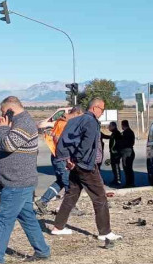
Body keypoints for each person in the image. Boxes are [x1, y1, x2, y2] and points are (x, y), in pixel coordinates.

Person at [0, 96, 51, 264]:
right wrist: (1, 130)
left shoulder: (24, 123)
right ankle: (42, 251)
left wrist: (1, 129)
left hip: (17, 182)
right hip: (19, 181)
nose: (2, 117)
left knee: (4, 220)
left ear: (10, 110)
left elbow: (8, 145)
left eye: (3, 113)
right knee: (27, 218)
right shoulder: (18, 123)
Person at [52, 98, 122, 248]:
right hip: (86, 165)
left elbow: (64, 141)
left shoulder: (74, 120)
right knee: (99, 197)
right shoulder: (91, 122)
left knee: (71, 194)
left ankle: (58, 227)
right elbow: (86, 144)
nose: (102, 113)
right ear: (95, 108)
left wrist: (67, 159)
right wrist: (77, 159)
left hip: (75, 164)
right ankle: (105, 232)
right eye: (102, 110)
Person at [35, 107, 83, 214]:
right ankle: (70, 207)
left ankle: (43, 201)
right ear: (77, 113)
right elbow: (61, 141)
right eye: (80, 116)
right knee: (68, 183)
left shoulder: (61, 121)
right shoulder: (65, 124)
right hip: (62, 157)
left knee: (61, 181)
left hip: (57, 156)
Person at [102, 121, 122, 186]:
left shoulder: (116, 133)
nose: (108, 128)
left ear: (113, 126)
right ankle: (115, 179)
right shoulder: (114, 133)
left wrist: (114, 151)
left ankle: (118, 180)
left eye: (110, 126)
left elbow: (117, 144)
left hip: (115, 153)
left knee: (116, 166)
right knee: (113, 166)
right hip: (113, 153)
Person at [119, 119, 136, 188]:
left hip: (127, 152)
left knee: (127, 168)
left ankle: (129, 183)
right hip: (130, 151)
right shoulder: (130, 132)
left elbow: (124, 143)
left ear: (123, 125)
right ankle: (130, 183)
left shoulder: (126, 133)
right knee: (129, 168)